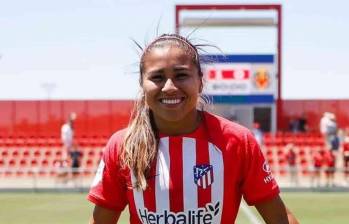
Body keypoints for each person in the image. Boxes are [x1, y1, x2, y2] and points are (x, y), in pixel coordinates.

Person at [87, 34, 298, 224]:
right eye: (157, 77)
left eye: (181, 75)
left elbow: (279, 218)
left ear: (200, 82)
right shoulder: (122, 146)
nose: (169, 86)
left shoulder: (238, 141)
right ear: (142, 85)